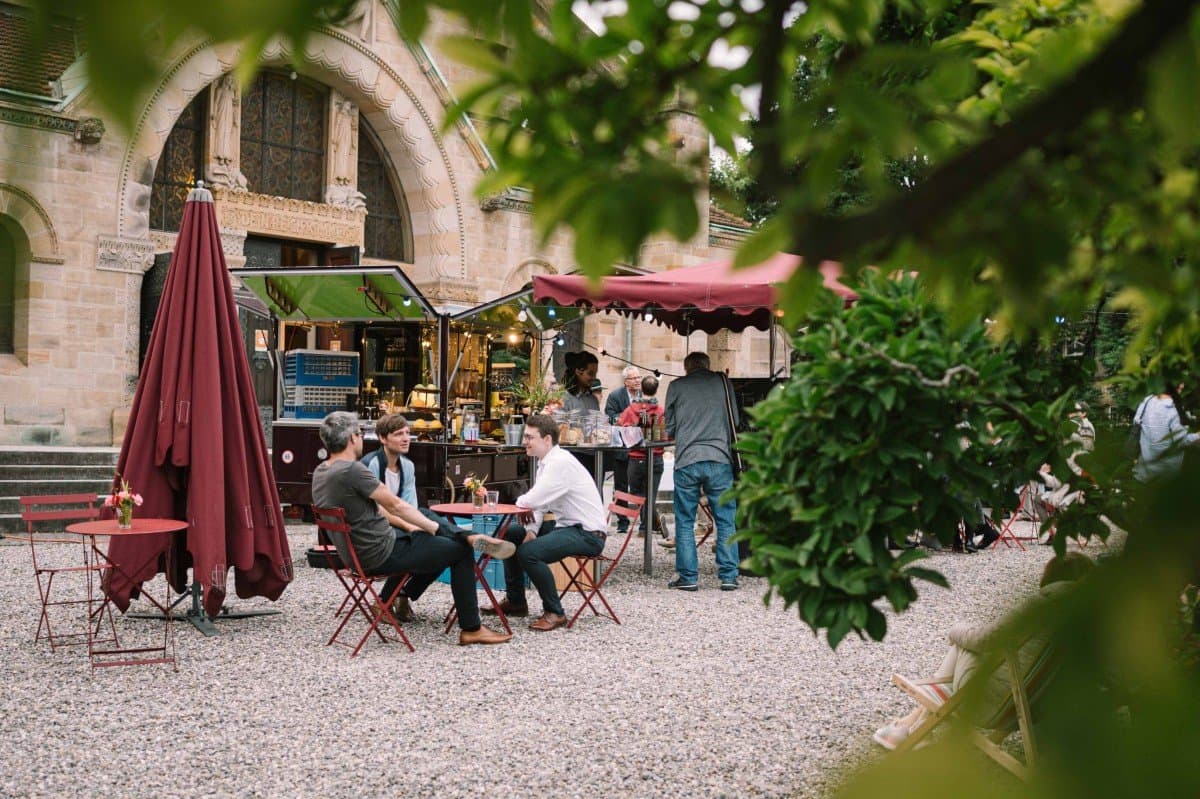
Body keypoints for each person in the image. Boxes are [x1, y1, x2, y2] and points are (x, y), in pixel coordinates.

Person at [311, 411, 514, 646]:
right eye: (359, 434)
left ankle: (466, 537)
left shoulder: (322, 471)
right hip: (381, 552)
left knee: (436, 532)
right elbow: (394, 505)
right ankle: (471, 628)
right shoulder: (352, 470)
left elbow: (379, 510)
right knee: (457, 550)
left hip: (357, 555)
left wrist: (422, 526)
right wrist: (429, 528)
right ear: (352, 438)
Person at [872, 552, 1095, 750]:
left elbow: (986, 640)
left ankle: (919, 727)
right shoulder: (1087, 619)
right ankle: (913, 723)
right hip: (1037, 704)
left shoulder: (1044, 605)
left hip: (994, 706)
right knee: (978, 649)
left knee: (964, 642)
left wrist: (955, 630)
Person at [486, 414, 608, 631]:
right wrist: (531, 530)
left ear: (547, 440)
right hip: (569, 526)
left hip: (588, 534)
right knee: (511, 533)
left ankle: (555, 612)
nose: (525, 441)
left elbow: (533, 499)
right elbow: (540, 504)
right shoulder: (548, 462)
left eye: (530, 437)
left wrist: (521, 504)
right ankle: (516, 602)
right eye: (525, 436)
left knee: (528, 553)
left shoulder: (559, 463)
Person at [664, 352, 740, 592]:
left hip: (687, 458)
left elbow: (670, 428)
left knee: (685, 520)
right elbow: (734, 420)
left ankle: (688, 577)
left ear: (686, 368)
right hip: (719, 458)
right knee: (725, 519)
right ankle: (729, 576)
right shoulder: (723, 384)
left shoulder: (676, 386)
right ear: (708, 366)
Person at [618, 375, 666, 538]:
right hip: (656, 457)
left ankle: (646, 526)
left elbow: (620, 424)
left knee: (638, 493)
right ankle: (648, 524)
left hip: (635, 458)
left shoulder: (631, 409)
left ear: (641, 389)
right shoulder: (660, 411)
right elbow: (667, 434)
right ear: (656, 390)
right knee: (650, 495)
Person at [1133, 381, 1199, 483]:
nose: (1183, 385)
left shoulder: (1147, 400)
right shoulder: (1174, 409)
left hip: (1143, 473)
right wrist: (1198, 436)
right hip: (1166, 477)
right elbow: (1182, 441)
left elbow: (1137, 422)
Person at [605, 366, 642, 533]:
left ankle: (645, 521)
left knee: (639, 486)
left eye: (639, 377)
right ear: (626, 381)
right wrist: (627, 418)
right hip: (621, 447)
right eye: (634, 378)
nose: (637, 381)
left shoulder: (644, 396)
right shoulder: (615, 396)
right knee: (620, 486)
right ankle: (622, 522)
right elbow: (609, 416)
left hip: (639, 448)